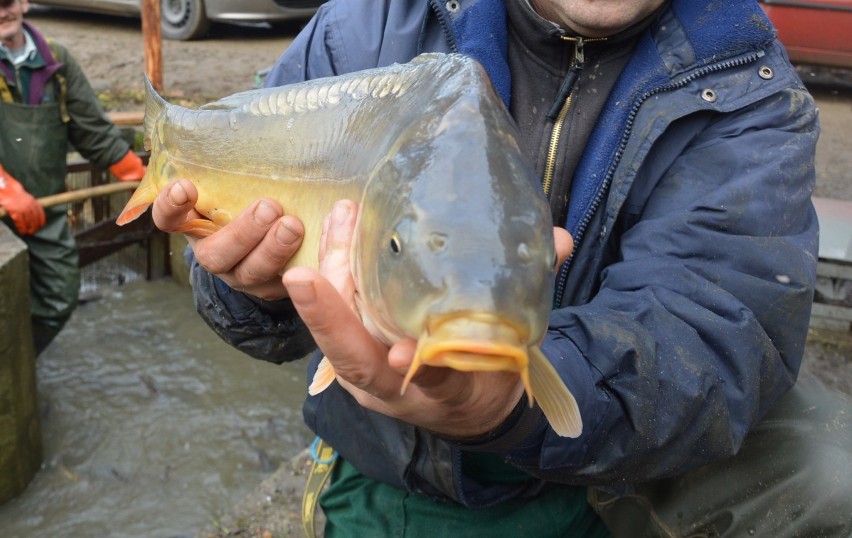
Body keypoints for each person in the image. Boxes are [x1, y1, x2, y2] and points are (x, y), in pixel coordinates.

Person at [151, 0, 852, 536]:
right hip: (383, 479)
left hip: (600, 488)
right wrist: (252, 290)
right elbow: (245, 315)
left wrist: (506, 405)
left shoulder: (749, 89)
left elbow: (718, 334)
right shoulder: (363, 28)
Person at [0, 0, 146, 354]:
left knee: (59, 296)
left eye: (5, 2)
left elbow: (93, 131)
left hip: (43, 210)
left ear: (22, 4)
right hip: (3, 215)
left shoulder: (57, 61)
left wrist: (140, 176)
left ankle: (21, 366)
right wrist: (4, 189)